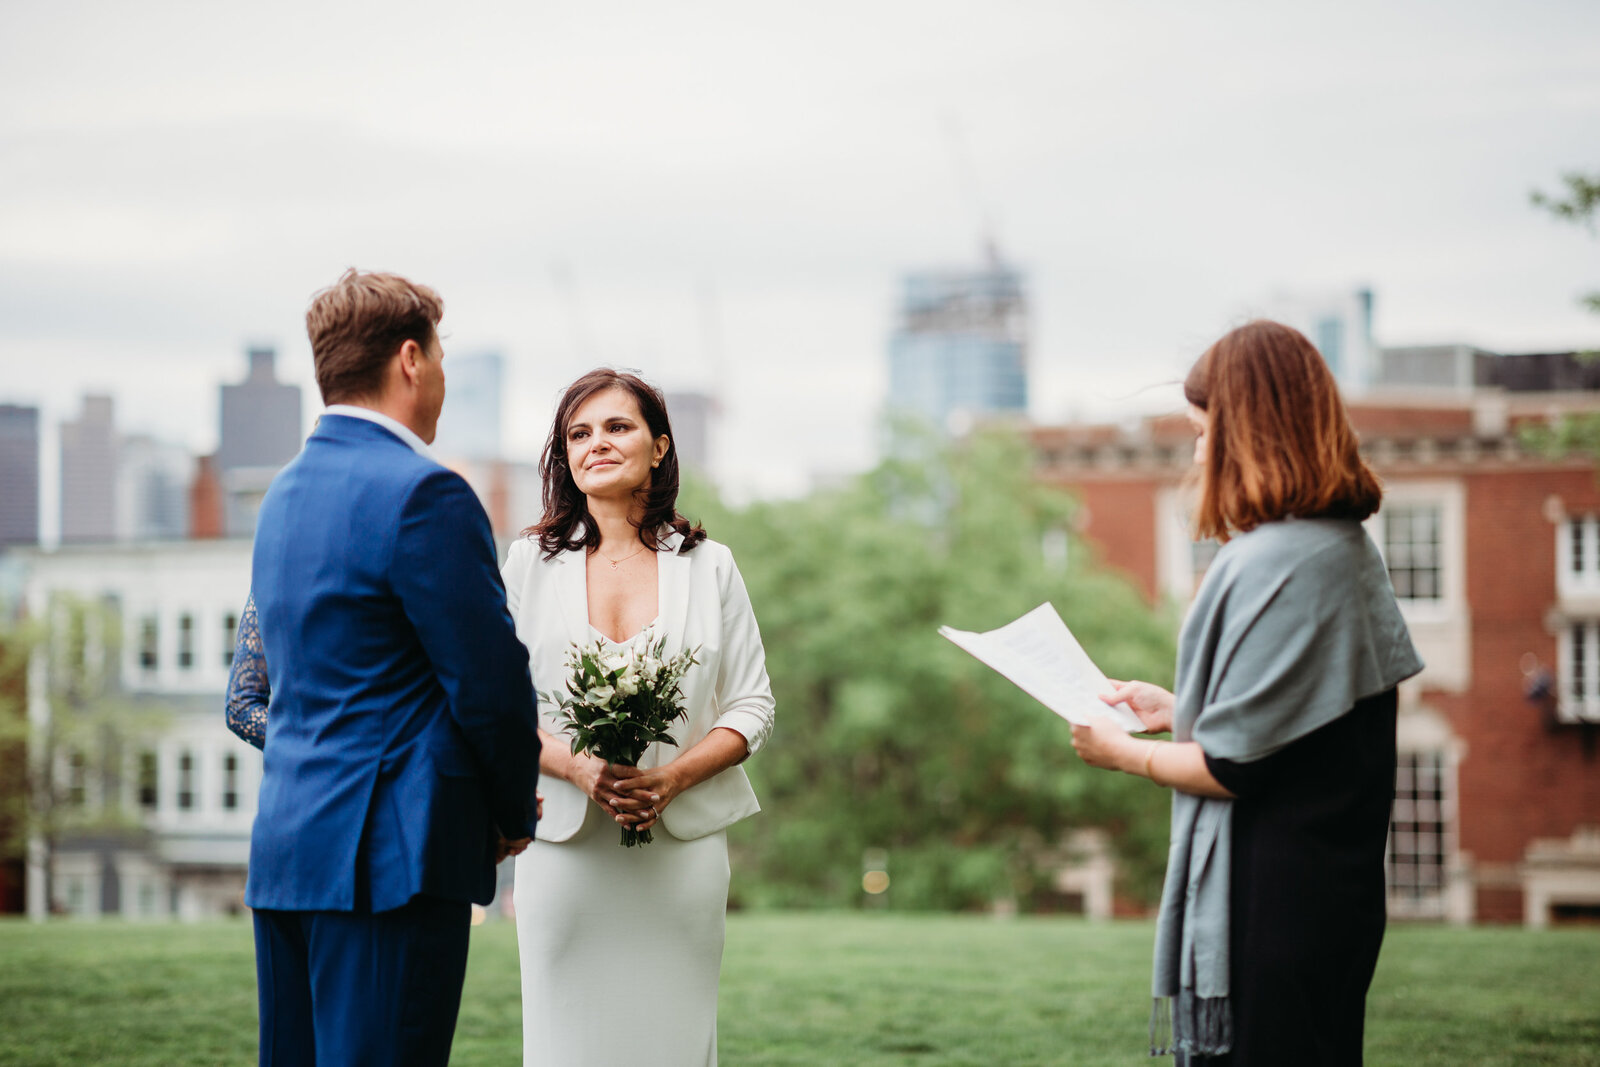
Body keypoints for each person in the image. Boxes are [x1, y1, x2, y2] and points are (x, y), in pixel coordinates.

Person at [1070, 320, 1424, 1066]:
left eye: (1205, 431)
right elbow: (1301, 728)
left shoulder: (1279, 562)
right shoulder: (1342, 546)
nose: (1198, 452)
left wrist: (1121, 755)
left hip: (1275, 907)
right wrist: (1179, 710)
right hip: (1330, 898)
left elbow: (1236, 766)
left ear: (1249, 431)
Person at [245, 269, 542, 1066]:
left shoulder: (281, 496)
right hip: (390, 862)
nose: (442, 372)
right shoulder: (425, 494)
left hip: (287, 852)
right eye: (440, 353)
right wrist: (515, 812)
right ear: (411, 358)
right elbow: (490, 685)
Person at [503, 369, 775, 1067]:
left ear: (658, 447)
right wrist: (575, 765)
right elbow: (492, 700)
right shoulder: (526, 565)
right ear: (563, 456)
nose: (596, 443)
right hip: (565, 851)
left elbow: (751, 703)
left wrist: (674, 777)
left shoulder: (711, 566)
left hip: (679, 858)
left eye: (617, 427)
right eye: (578, 433)